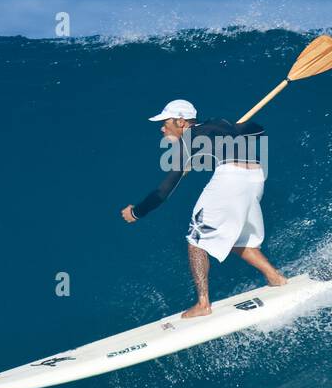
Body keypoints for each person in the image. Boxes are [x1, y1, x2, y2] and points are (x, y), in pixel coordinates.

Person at [121, 98, 287, 317]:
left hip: (232, 178)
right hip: (255, 177)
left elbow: (163, 192)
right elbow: (257, 130)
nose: (162, 128)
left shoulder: (188, 142)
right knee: (239, 240)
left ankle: (203, 304)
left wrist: (136, 211)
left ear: (181, 122)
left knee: (196, 239)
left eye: (165, 122)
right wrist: (233, 129)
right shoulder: (217, 123)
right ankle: (275, 277)